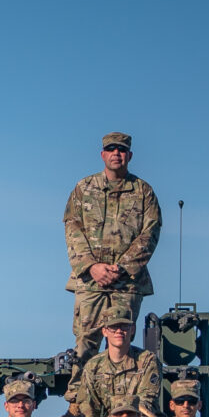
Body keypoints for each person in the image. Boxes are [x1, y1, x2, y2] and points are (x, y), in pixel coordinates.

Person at [62, 132, 161, 353]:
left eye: (122, 149)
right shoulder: (84, 188)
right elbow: (73, 229)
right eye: (111, 149)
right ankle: (82, 379)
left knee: (120, 345)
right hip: (90, 282)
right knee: (85, 346)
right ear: (103, 155)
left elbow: (150, 233)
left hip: (126, 282)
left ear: (130, 155)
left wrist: (121, 268)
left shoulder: (143, 192)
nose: (117, 153)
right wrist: (92, 267)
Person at [59, 308, 160, 417]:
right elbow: (89, 409)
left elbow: (146, 406)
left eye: (124, 326)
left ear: (132, 330)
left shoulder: (147, 361)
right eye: (113, 327)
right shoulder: (93, 366)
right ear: (104, 331)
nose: (119, 331)